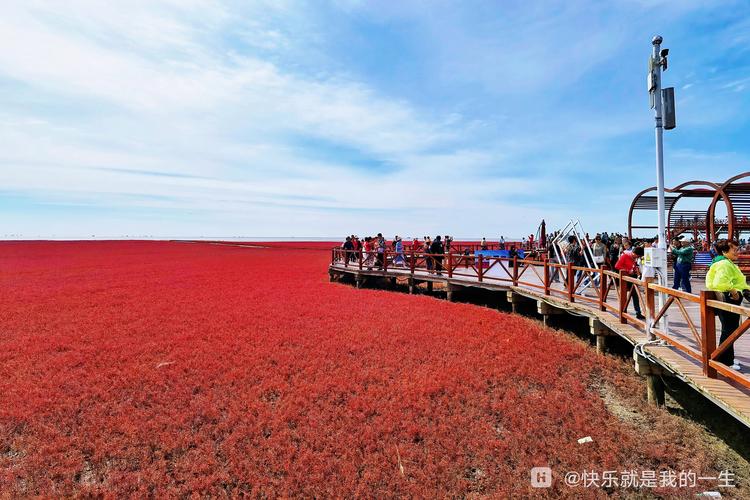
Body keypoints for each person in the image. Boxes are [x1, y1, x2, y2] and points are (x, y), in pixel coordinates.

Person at [705, 239, 749, 370]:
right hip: (729, 298)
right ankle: (725, 362)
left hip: (729, 298)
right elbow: (721, 282)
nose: (737, 252)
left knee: (729, 329)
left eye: (737, 249)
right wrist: (734, 292)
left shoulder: (723, 261)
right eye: (734, 250)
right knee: (729, 330)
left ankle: (726, 357)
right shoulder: (724, 263)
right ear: (724, 251)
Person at [615, 245, 645, 320]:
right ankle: (623, 312)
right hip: (624, 279)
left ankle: (638, 313)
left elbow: (632, 266)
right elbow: (617, 266)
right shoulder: (625, 256)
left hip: (631, 278)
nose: (638, 257)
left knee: (635, 295)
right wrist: (628, 271)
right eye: (638, 256)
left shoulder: (633, 258)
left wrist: (635, 270)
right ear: (634, 253)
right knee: (624, 296)